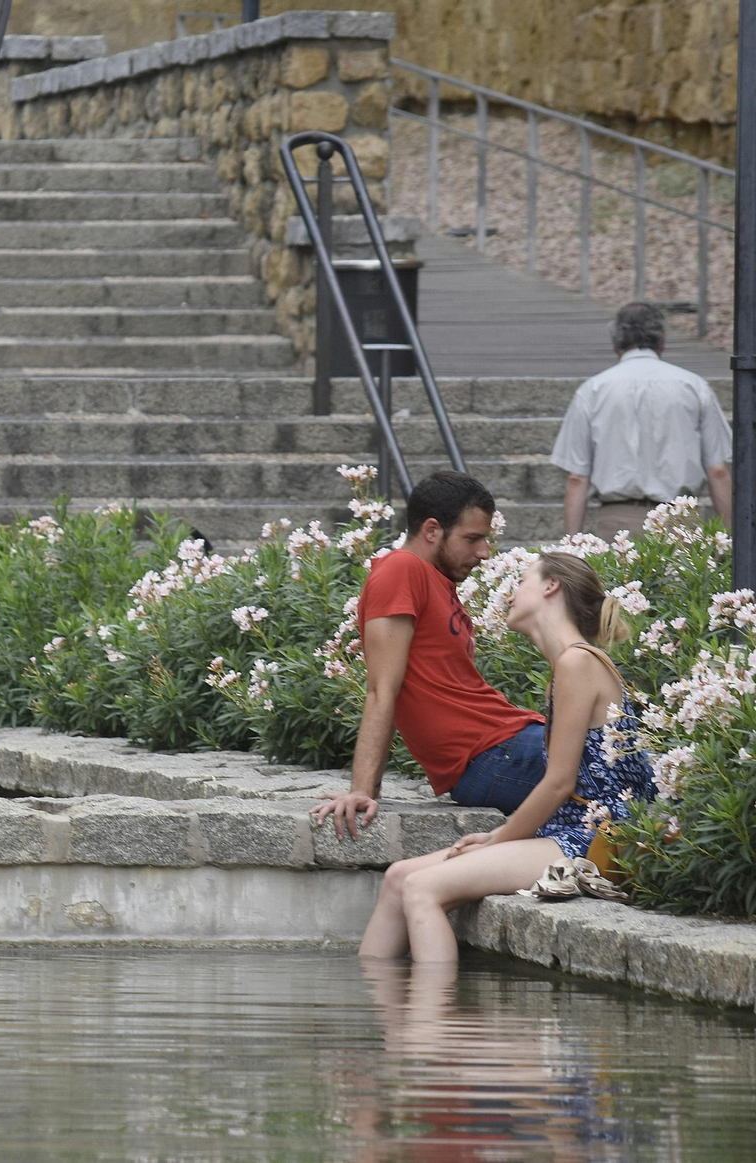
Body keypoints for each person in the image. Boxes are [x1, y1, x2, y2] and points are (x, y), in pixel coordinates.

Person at [356, 551, 653, 964]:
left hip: (597, 841)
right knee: (398, 877)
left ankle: (430, 1022)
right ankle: (378, 1011)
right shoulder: (569, 663)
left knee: (423, 890)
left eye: (522, 581)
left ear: (551, 587)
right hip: (567, 830)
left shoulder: (577, 662)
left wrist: (499, 838)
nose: (511, 595)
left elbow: (558, 782)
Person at [314, 472, 544, 839]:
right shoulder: (401, 570)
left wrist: (369, 788)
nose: (484, 552)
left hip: (509, 742)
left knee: (628, 768)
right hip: (489, 757)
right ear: (432, 530)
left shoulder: (437, 580)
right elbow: (382, 689)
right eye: (473, 539)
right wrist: (361, 790)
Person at [552, 301, 733, 541]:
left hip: (617, 523)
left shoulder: (593, 390)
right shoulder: (694, 387)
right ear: (663, 340)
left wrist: (573, 545)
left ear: (616, 343)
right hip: (679, 520)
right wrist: (730, 538)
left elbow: (577, 478)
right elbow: (718, 471)